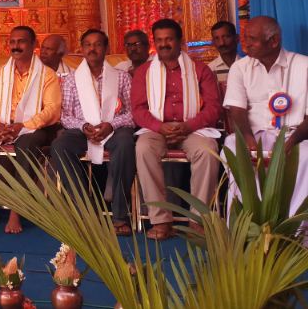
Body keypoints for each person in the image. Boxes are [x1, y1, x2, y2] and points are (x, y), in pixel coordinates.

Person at [0, 26, 62, 234]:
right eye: (13, 42)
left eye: (21, 41)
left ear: (34, 45)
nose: (16, 46)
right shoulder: (1, 73)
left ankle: (16, 210)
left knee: (27, 144)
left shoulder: (47, 75)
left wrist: (23, 126)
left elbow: (52, 110)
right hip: (4, 124)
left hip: (35, 127)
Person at [132, 19, 221, 240]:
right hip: (157, 129)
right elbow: (138, 110)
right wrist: (159, 127)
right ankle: (161, 221)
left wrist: (188, 125)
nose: (164, 44)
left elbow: (213, 108)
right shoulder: (144, 72)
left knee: (207, 150)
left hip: (192, 128)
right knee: (143, 149)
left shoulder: (200, 70)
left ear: (180, 41)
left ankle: (197, 220)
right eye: (159, 40)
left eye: (169, 39)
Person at [50, 29, 135, 235]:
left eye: (97, 44)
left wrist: (111, 125)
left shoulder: (121, 77)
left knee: (126, 144)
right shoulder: (72, 79)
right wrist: (83, 127)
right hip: (83, 130)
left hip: (114, 129)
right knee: (60, 145)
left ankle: (120, 217)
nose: (92, 49)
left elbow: (133, 113)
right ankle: (85, 212)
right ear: (82, 49)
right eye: (88, 45)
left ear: (106, 48)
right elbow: (65, 116)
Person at [223, 16, 308, 219]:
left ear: (274, 41)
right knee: (232, 146)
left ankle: (294, 225)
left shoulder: (304, 66)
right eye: (245, 38)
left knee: (305, 155)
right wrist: (248, 139)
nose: (246, 44)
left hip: (295, 137)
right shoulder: (239, 68)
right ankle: (247, 221)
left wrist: (290, 144)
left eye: (252, 39)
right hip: (254, 135)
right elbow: (236, 108)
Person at [209, 21, 239, 86]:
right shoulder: (210, 69)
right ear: (213, 42)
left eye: (226, 37)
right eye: (217, 38)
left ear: (237, 38)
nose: (222, 43)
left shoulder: (248, 66)